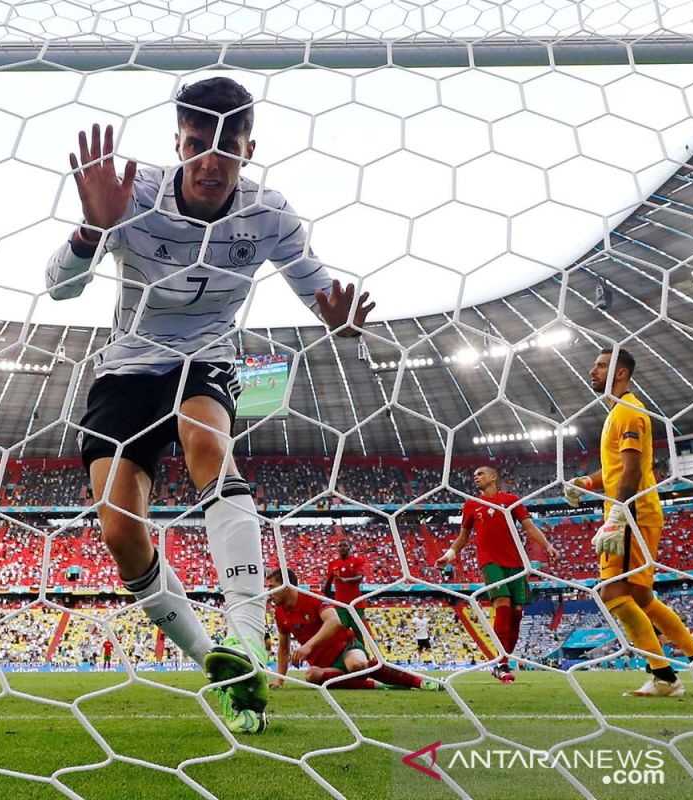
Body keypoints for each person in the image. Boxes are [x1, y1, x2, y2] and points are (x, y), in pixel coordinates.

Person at [46, 76, 374, 734]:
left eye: (228, 146)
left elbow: (321, 292)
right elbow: (58, 289)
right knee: (119, 534)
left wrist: (339, 319)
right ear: (179, 141)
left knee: (207, 446)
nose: (212, 160)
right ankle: (224, 670)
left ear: (250, 147)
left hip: (209, 360)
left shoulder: (270, 212)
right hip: (128, 367)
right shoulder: (132, 195)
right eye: (198, 144)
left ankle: (248, 637)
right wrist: (91, 228)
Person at [565, 348, 693, 697]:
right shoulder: (617, 413)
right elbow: (617, 469)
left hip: (631, 512)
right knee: (641, 595)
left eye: (601, 365)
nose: (592, 370)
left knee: (612, 594)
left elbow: (633, 470)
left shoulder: (628, 411)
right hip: (638, 510)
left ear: (620, 374)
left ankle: (665, 678)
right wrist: (587, 483)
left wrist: (617, 515)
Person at [437, 465, 558, 683]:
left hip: (517, 562)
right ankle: (501, 664)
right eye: (474, 475)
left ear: (493, 477)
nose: (476, 477)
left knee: (517, 613)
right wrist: (448, 555)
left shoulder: (511, 500)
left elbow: (529, 526)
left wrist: (547, 545)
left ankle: (504, 661)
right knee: (502, 602)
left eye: (480, 473)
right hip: (490, 562)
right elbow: (463, 537)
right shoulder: (471, 505)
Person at [266, 568, 435, 691]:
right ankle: (379, 685)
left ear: (286, 586)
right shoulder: (280, 613)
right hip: (324, 663)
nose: (268, 592)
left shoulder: (313, 597)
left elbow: (334, 621)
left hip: (346, 648)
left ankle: (420, 682)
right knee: (311, 675)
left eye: (272, 587)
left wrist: (308, 646)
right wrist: (280, 681)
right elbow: (283, 648)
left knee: (356, 665)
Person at [323, 540, 367, 630]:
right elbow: (328, 583)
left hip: (356, 603)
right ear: (337, 549)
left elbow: (359, 577)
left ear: (349, 547)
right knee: (342, 631)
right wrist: (324, 597)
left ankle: (361, 645)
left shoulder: (357, 561)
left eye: (345, 545)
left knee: (358, 631)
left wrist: (345, 580)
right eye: (340, 546)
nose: (342, 547)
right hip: (340, 604)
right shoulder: (332, 564)